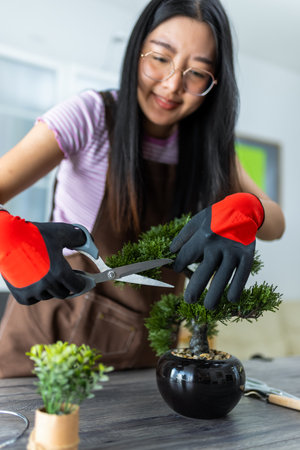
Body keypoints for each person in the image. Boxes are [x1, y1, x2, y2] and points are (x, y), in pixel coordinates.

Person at [0, 0, 285, 377]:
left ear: (214, 83)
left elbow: (275, 223)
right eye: (160, 58)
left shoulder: (208, 148)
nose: (171, 85)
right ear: (136, 51)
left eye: (197, 73)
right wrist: (9, 238)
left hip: (143, 355)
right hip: (44, 348)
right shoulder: (90, 116)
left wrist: (248, 210)